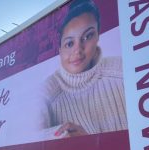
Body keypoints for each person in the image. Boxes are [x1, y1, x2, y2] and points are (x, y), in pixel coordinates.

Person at [39, 0, 127, 138]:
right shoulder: (48, 92)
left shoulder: (123, 71)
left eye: (87, 36)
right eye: (69, 43)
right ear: (59, 50)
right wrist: (55, 136)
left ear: (97, 35)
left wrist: (91, 145)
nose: (78, 51)